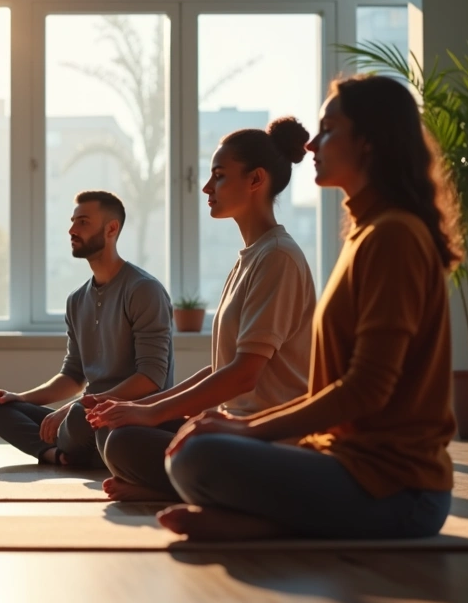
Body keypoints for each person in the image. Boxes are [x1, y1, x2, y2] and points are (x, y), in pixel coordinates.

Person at [158, 74, 464, 541]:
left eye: (328, 129)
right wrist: (239, 425)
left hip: (400, 490)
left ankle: (265, 525)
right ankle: (264, 523)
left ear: (367, 142)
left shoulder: (394, 236)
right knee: (196, 446)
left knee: (200, 458)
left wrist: (247, 431)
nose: (312, 143)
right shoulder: (366, 233)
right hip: (342, 461)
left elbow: (365, 390)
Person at [86, 118, 316, 501]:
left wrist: (150, 415)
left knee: (124, 442)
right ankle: (182, 485)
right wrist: (140, 405)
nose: (207, 187)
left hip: (266, 439)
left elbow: (243, 375)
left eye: (220, 176)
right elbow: (225, 365)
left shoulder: (278, 258)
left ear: (256, 179)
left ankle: (188, 489)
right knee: (112, 430)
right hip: (229, 427)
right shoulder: (251, 257)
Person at [0, 191, 174, 467]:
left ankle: (71, 449)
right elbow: (73, 375)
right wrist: (19, 397)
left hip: (130, 417)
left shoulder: (143, 290)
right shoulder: (76, 300)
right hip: (85, 416)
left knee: (75, 420)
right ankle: (59, 455)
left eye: (83, 222)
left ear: (111, 228)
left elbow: (152, 377)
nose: (72, 229)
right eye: (72, 221)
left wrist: (80, 406)